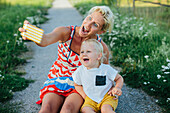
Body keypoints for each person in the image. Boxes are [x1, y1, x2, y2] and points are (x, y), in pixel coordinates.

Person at [19, 6, 114, 113]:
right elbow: (45, 40)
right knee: (47, 108)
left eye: (95, 25)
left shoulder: (101, 47)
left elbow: (104, 72)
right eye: (89, 18)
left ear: (101, 31)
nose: (88, 25)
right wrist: (33, 34)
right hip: (58, 78)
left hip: (80, 84)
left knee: (67, 109)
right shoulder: (66, 32)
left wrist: (104, 96)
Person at [72, 39, 124, 113]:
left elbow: (119, 78)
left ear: (99, 56)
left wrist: (117, 87)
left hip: (107, 96)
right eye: (82, 52)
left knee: (105, 109)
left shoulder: (105, 69)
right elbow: (77, 84)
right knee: (85, 109)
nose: (84, 54)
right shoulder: (80, 71)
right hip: (91, 98)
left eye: (88, 51)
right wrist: (85, 96)